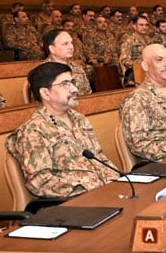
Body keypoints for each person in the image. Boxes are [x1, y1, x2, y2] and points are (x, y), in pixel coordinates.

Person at [6, 62, 117, 198]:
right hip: (75, 202)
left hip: (105, 192)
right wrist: (89, 188)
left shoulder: (80, 119)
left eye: (72, 82)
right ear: (46, 93)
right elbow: (40, 182)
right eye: (65, 84)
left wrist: (119, 182)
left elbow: (100, 158)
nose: (74, 89)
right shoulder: (33, 131)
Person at [43, 29, 91, 95]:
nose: (71, 47)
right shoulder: (43, 72)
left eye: (71, 43)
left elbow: (88, 94)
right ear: (52, 49)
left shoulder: (77, 67)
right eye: (65, 44)